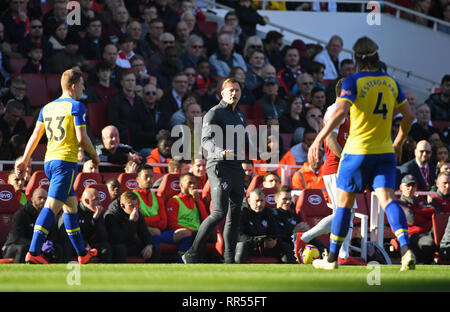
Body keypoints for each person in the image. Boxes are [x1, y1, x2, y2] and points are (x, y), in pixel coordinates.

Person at [308, 36, 416, 271]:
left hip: (357, 152)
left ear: (356, 58)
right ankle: (406, 251)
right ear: (377, 57)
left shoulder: (352, 81)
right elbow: (409, 116)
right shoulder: (391, 83)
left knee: (344, 206)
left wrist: (317, 138)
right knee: (388, 199)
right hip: (385, 152)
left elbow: (339, 112)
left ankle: (332, 259)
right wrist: (398, 143)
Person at [15, 68, 100, 264]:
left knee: (71, 206)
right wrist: (94, 157)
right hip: (65, 162)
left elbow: (35, 135)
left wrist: (26, 159)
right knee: (51, 207)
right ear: (73, 86)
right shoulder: (76, 106)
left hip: (50, 161)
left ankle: (82, 252)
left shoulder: (47, 108)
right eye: (81, 84)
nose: (83, 87)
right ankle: (34, 252)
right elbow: (82, 138)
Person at [182, 77, 249, 264]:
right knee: (219, 212)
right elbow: (205, 142)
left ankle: (229, 260)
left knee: (235, 216)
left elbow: (242, 141)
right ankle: (192, 252)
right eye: (230, 90)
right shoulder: (214, 113)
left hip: (236, 167)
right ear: (222, 93)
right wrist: (221, 152)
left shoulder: (240, 115)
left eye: (237, 90)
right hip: (219, 165)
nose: (234, 93)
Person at [235, 189, 296, 264]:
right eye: (256, 201)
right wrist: (258, 241)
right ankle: (238, 269)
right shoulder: (242, 213)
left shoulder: (268, 212)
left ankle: (288, 271)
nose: (259, 204)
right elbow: (238, 235)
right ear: (249, 201)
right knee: (242, 245)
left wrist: (274, 240)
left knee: (285, 246)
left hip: (265, 246)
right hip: (250, 245)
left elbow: (276, 230)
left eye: (262, 201)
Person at [2, 188, 62, 263]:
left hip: (39, 247)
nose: (43, 201)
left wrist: (50, 242)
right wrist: (38, 244)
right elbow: (16, 238)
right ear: (32, 199)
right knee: (22, 248)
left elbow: (53, 234)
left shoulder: (50, 216)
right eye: (40, 198)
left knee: (59, 248)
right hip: (14, 247)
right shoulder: (21, 214)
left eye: (45, 199)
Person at [58, 187, 112, 263]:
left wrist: (95, 220)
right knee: (65, 247)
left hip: (89, 245)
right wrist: (83, 244)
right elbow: (63, 233)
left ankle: (104, 272)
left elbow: (103, 237)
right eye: (96, 199)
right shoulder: (73, 209)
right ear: (86, 201)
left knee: (106, 247)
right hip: (74, 245)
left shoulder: (97, 212)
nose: (99, 202)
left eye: (99, 199)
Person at [104, 191, 160, 263]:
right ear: (122, 206)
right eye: (131, 206)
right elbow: (116, 239)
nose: (135, 209)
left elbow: (144, 232)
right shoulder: (111, 215)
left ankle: (151, 273)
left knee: (154, 248)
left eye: (136, 205)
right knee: (120, 248)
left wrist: (149, 245)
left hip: (131, 244)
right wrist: (131, 222)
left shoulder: (137, 212)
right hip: (116, 246)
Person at [165, 172, 209, 262]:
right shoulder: (174, 201)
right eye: (189, 183)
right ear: (181, 185)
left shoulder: (197, 201)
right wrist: (191, 232)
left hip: (197, 235)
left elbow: (205, 220)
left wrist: (198, 202)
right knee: (189, 236)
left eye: (195, 183)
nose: (193, 185)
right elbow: (172, 225)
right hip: (183, 234)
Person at [398, 174, 436, 264]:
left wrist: (415, 212)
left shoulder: (421, 201)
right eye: (407, 185)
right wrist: (424, 216)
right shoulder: (399, 203)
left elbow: (434, 213)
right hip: (412, 235)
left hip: (428, 233)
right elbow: (412, 219)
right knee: (429, 243)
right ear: (401, 187)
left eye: (413, 185)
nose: (410, 188)